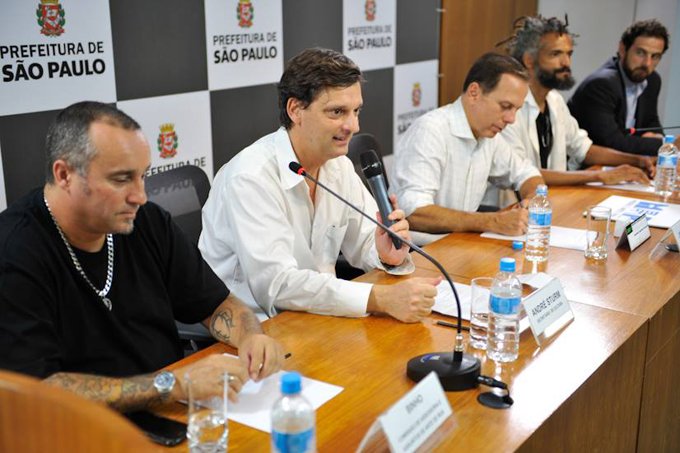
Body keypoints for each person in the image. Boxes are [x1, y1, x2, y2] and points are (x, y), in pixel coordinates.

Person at [0, 101, 284, 413]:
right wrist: (171, 383)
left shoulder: (146, 220)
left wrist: (251, 336)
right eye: (121, 179)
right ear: (65, 174)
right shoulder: (14, 249)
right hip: (82, 427)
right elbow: (36, 389)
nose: (140, 195)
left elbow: (217, 304)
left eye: (143, 176)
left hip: (173, 410)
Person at [199, 48, 439, 324]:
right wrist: (378, 299)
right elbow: (278, 286)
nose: (353, 125)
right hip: (255, 330)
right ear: (295, 110)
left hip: (319, 316)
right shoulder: (250, 177)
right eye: (337, 112)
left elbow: (363, 242)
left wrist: (385, 254)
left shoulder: (337, 165)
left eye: (356, 111)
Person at [391, 52, 545, 237]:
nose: (511, 119)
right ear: (474, 93)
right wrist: (492, 221)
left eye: (516, 110)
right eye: (505, 106)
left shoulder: (489, 135)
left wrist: (530, 201)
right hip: (420, 253)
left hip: (460, 243)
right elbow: (414, 213)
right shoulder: (430, 131)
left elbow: (527, 173)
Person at [500, 15, 654, 188]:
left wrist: (638, 160)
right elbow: (523, 172)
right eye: (556, 54)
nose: (566, 62)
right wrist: (599, 175)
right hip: (513, 206)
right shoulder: (507, 107)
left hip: (551, 200)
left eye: (569, 53)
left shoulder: (555, 100)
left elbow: (583, 149)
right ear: (529, 60)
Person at [568, 19, 670, 155]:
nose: (647, 63)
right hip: (587, 165)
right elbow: (612, 142)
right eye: (640, 53)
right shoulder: (600, 85)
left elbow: (651, 122)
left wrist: (658, 137)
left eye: (655, 56)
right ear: (622, 49)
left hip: (626, 161)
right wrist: (665, 144)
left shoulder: (652, 80)